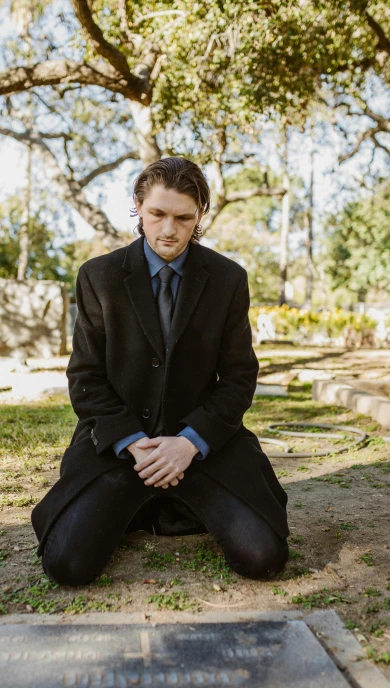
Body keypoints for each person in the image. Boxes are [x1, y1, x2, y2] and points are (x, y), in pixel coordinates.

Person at [31, 157, 289, 585]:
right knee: (67, 565)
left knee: (263, 555)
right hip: (119, 445)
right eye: (158, 214)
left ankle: (164, 501)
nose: (169, 230)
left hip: (204, 447)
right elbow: (85, 378)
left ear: (200, 215)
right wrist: (135, 443)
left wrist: (189, 444)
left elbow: (240, 378)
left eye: (183, 218)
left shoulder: (228, 280)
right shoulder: (98, 276)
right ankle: (155, 499)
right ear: (138, 207)